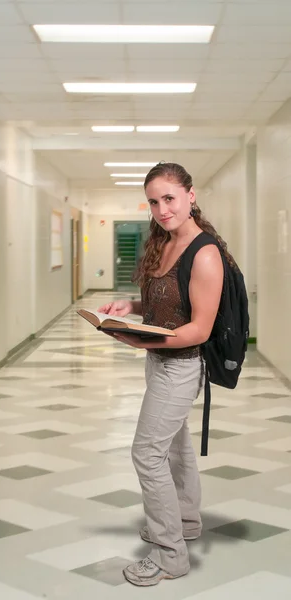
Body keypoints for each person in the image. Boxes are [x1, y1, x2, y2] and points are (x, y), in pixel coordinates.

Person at [98, 162, 230, 587]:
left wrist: (141, 341)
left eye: (169, 198)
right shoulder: (165, 241)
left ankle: (170, 553)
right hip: (160, 362)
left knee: (146, 454)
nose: (161, 208)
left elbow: (198, 329)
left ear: (191, 195)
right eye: (154, 201)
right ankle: (186, 522)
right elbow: (168, 307)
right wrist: (130, 309)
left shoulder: (204, 252)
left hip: (181, 366)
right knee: (174, 447)